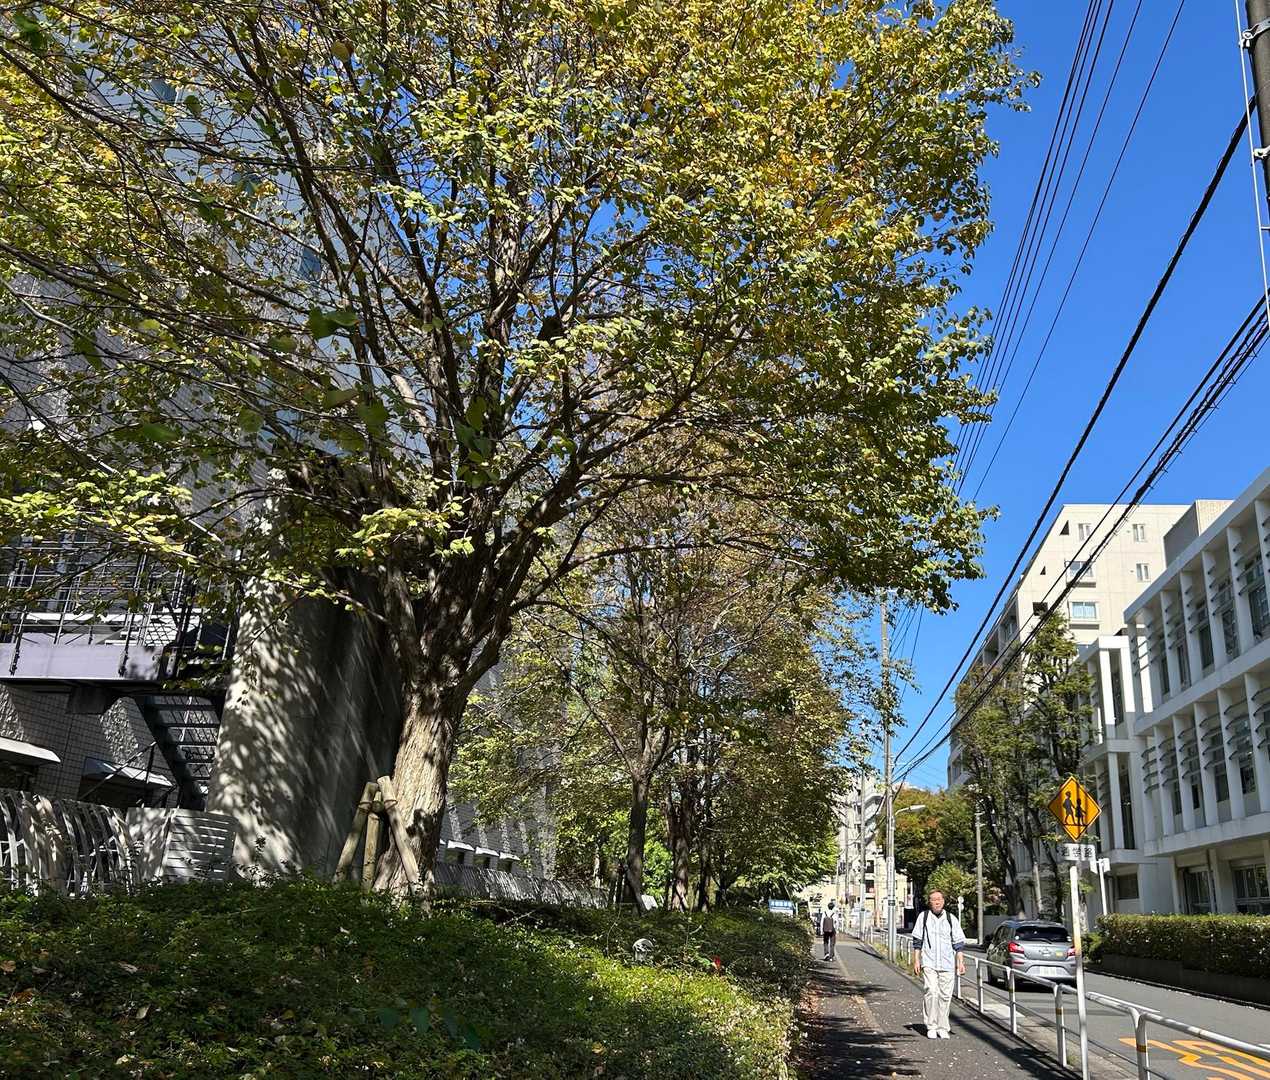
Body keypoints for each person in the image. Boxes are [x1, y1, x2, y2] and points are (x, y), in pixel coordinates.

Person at [911, 888, 965, 1039]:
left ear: (943, 901)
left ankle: (942, 1027)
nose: (937, 902)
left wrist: (960, 962)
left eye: (939, 899)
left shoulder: (951, 918)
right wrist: (917, 960)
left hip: (947, 964)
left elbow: (958, 943)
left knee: (945, 996)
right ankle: (931, 1025)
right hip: (929, 962)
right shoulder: (924, 917)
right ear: (930, 902)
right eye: (934, 900)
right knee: (932, 991)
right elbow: (917, 941)